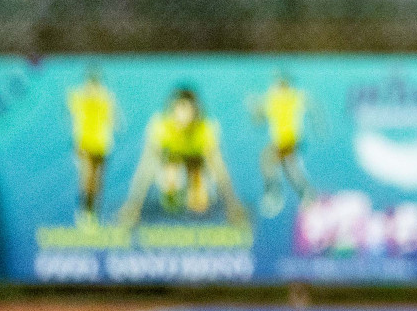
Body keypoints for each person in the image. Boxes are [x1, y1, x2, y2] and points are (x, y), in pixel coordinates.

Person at [119, 87, 248, 228]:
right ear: (171, 109)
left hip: (196, 164)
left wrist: (233, 206)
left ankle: (195, 190)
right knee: (171, 201)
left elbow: (219, 168)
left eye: (187, 109)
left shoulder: (205, 129)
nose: (182, 115)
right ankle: (174, 190)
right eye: (178, 108)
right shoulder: (160, 127)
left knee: (199, 205)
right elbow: (146, 167)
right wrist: (132, 206)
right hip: (171, 162)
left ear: (196, 111)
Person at [249, 73, 315, 217]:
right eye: (276, 86)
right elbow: (259, 120)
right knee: (271, 161)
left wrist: (318, 125)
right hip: (279, 142)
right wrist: (254, 108)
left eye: (281, 86)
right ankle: (278, 193)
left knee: (289, 167)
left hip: (292, 141)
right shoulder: (271, 100)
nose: (277, 89)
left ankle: (304, 196)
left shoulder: (294, 97)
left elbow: (310, 106)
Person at [67, 69, 118, 226]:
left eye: (95, 86)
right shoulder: (78, 98)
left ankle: (92, 212)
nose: (92, 89)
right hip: (84, 145)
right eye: (89, 85)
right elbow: (72, 111)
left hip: (102, 146)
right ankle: (84, 211)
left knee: (96, 181)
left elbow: (113, 120)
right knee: (87, 177)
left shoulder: (106, 99)